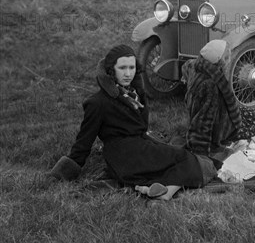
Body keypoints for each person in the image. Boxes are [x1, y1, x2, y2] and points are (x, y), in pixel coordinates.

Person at [49, 44, 216, 200]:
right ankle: (164, 188)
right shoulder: (97, 102)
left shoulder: (135, 95)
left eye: (131, 67)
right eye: (122, 68)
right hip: (123, 157)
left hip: (140, 148)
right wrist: (63, 171)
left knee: (184, 156)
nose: (128, 73)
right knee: (189, 160)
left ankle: (162, 190)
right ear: (111, 70)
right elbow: (84, 141)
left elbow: (141, 128)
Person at [182, 40, 255, 166]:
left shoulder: (194, 66)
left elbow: (184, 68)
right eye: (227, 57)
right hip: (224, 127)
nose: (229, 60)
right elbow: (202, 122)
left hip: (227, 113)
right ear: (219, 61)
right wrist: (201, 156)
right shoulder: (210, 86)